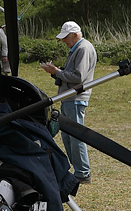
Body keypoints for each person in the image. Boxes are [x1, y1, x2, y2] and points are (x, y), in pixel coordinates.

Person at [41, 20, 96, 184]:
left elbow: (78, 77)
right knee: (68, 136)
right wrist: (56, 73)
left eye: (66, 37)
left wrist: (57, 71)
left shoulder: (83, 48)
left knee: (76, 136)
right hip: (69, 97)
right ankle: (78, 171)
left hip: (76, 98)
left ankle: (83, 172)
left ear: (75, 35)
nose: (64, 41)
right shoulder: (77, 49)